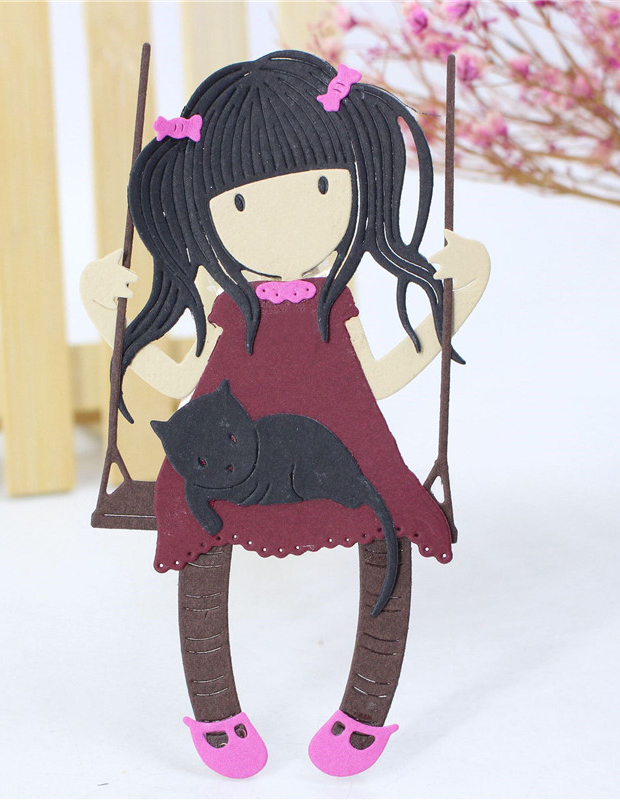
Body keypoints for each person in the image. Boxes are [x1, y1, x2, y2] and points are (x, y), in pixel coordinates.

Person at [80, 50, 489, 779]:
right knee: (201, 532)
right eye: (239, 205)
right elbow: (179, 377)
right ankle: (217, 711)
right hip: (227, 462)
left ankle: (364, 710)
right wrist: (101, 311)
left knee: (388, 527)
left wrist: (461, 299)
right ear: (205, 210)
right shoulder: (226, 308)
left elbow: (379, 377)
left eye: (326, 186)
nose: (286, 226)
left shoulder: (339, 301)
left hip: (346, 454)